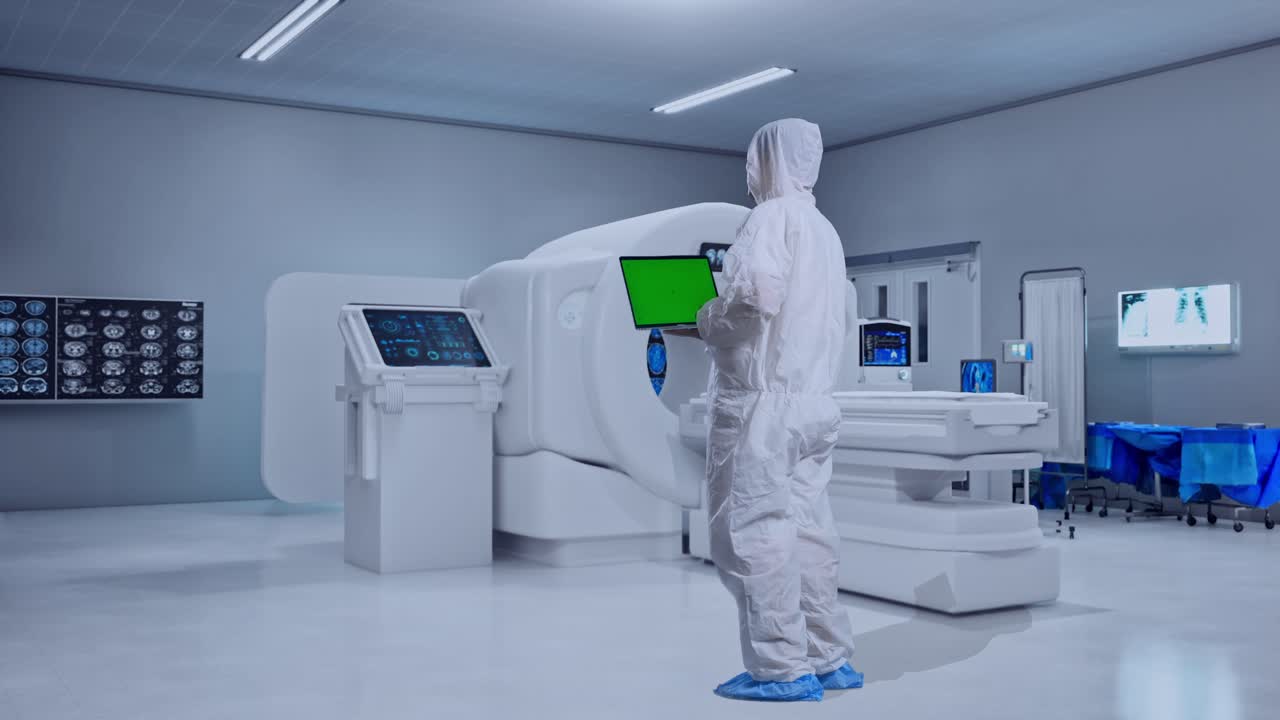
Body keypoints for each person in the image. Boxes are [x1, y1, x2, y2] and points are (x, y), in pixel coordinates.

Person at [695, 119, 861, 702]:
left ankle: (779, 668)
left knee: (752, 533)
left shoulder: (768, 219)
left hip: (763, 409)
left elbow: (753, 302)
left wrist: (703, 320)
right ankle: (828, 657)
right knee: (810, 532)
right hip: (815, 405)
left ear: (766, 159)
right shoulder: (825, 229)